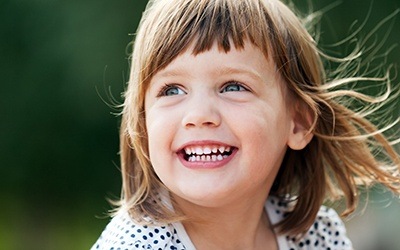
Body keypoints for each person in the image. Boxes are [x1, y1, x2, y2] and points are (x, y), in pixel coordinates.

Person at [91, 0, 400, 249]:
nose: (198, 114)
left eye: (233, 87)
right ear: (142, 125)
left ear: (299, 123)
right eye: (172, 90)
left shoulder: (316, 236)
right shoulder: (135, 245)